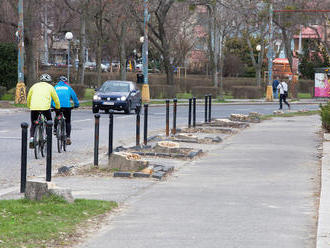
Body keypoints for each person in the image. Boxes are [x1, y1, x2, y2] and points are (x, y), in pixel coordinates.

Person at [27, 73, 61, 148]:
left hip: (34, 107)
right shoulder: (50, 87)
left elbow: (29, 97)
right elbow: (56, 99)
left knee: (33, 123)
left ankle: (32, 138)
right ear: (49, 81)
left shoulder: (34, 86)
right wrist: (58, 107)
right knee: (49, 121)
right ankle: (47, 136)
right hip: (45, 108)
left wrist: (29, 106)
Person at [52, 76, 79, 145]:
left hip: (57, 106)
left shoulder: (55, 88)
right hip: (67, 106)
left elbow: (51, 97)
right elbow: (74, 97)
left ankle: (55, 129)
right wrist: (76, 105)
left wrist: (51, 106)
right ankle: (68, 137)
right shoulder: (68, 88)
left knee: (57, 115)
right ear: (66, 82)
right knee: (67, 121)